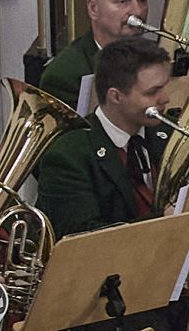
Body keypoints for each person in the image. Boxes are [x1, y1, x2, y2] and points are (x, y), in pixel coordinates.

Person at [31, 33, 174, 236]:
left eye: (164, 88)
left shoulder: (167, 134)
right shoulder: (68, 155)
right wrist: (163, 222)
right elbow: (82, 236)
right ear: (116, 96)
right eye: (152, 92)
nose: (165, 99)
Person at [34, 0, 152, 108]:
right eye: (123, 1)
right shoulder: (63, 76)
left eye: (142, 0)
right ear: (93, 9)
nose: (137, 11)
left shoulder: (157, 59)